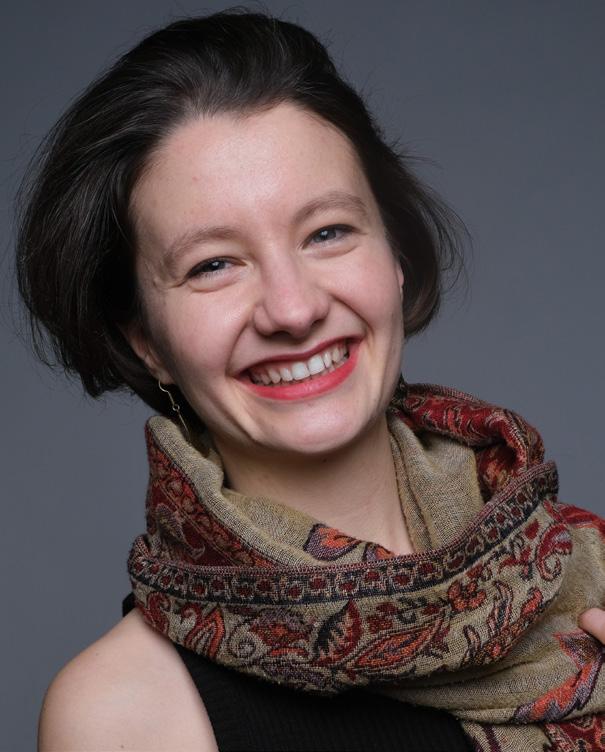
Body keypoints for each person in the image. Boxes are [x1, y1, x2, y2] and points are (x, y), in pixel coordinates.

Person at [16, 10, 605, 752]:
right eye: (213, 264)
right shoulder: (125, 715)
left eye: (327, 232)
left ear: (394, 256)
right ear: (146, 342)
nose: (293, 310)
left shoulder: (585, 576)